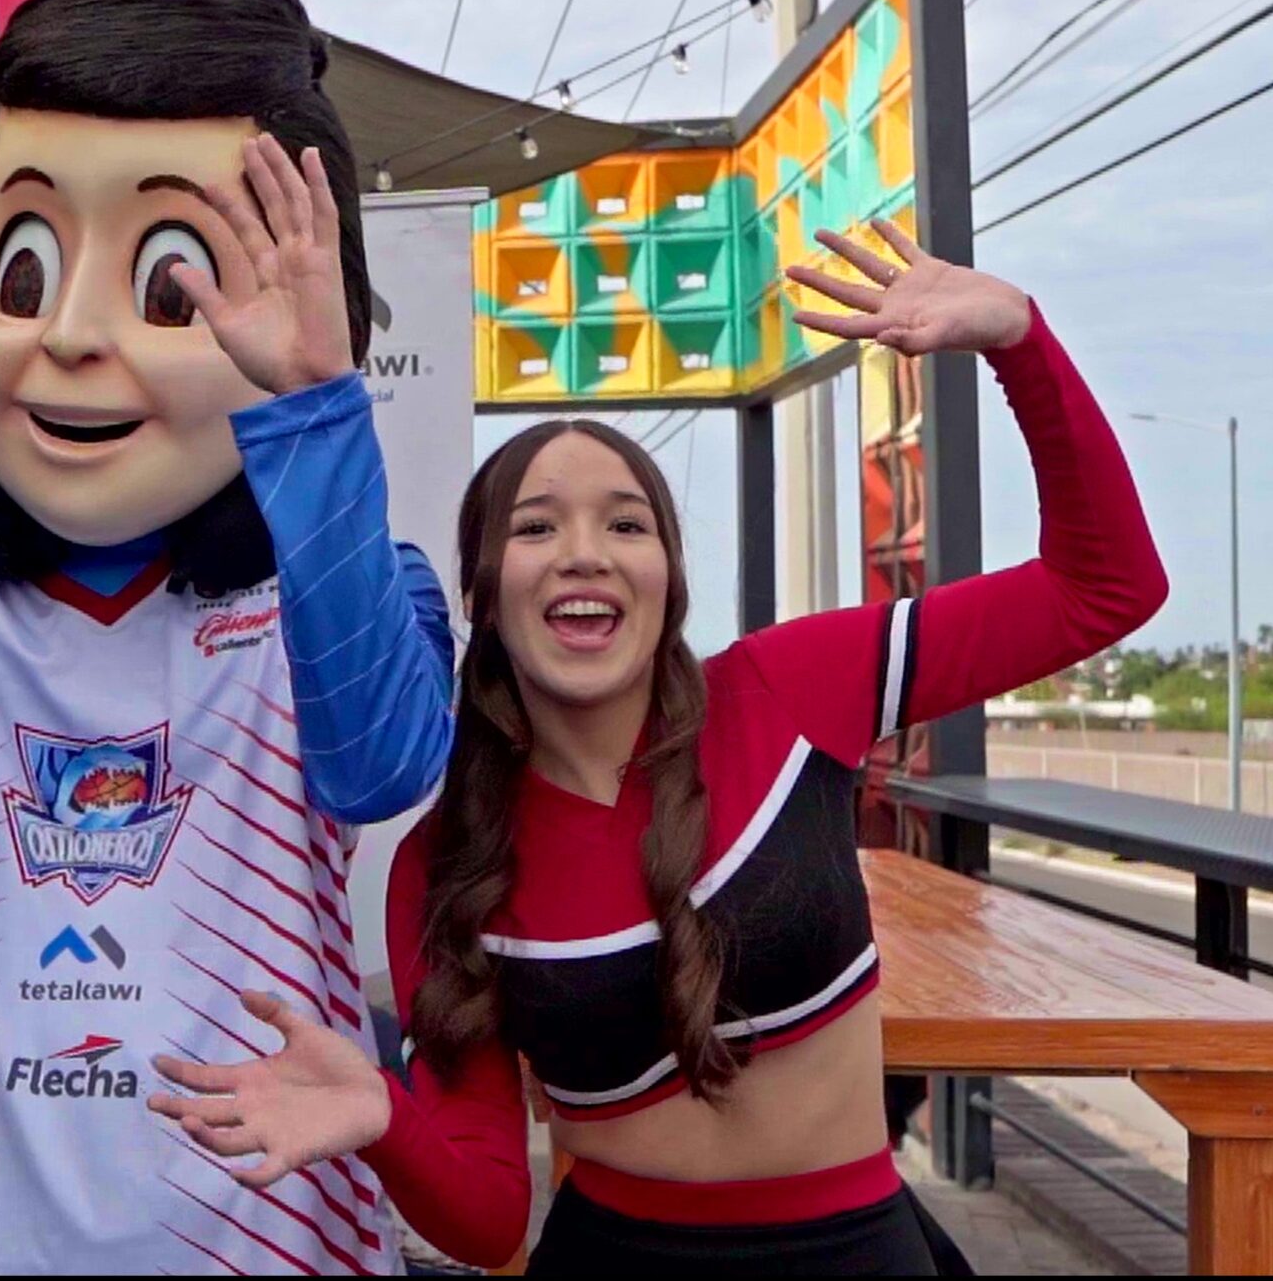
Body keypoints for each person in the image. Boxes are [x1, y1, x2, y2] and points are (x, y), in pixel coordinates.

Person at [150, 220, 1169, 1275]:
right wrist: (382, 1113)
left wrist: (1020, 341)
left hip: (858, 1247)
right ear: (484, 592)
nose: (583, 552)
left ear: (668, 577)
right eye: (536, 527)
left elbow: (1106, 587)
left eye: (626, 524)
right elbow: (490, 1218)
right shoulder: (445, 861)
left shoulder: (790, 689)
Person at [0, 0, 454, 1273]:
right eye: (26, 269)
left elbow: (382, 758)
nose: (75, 335)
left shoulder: (358, 585)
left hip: (276, 1243)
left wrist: (314, 405)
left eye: (172, 286)